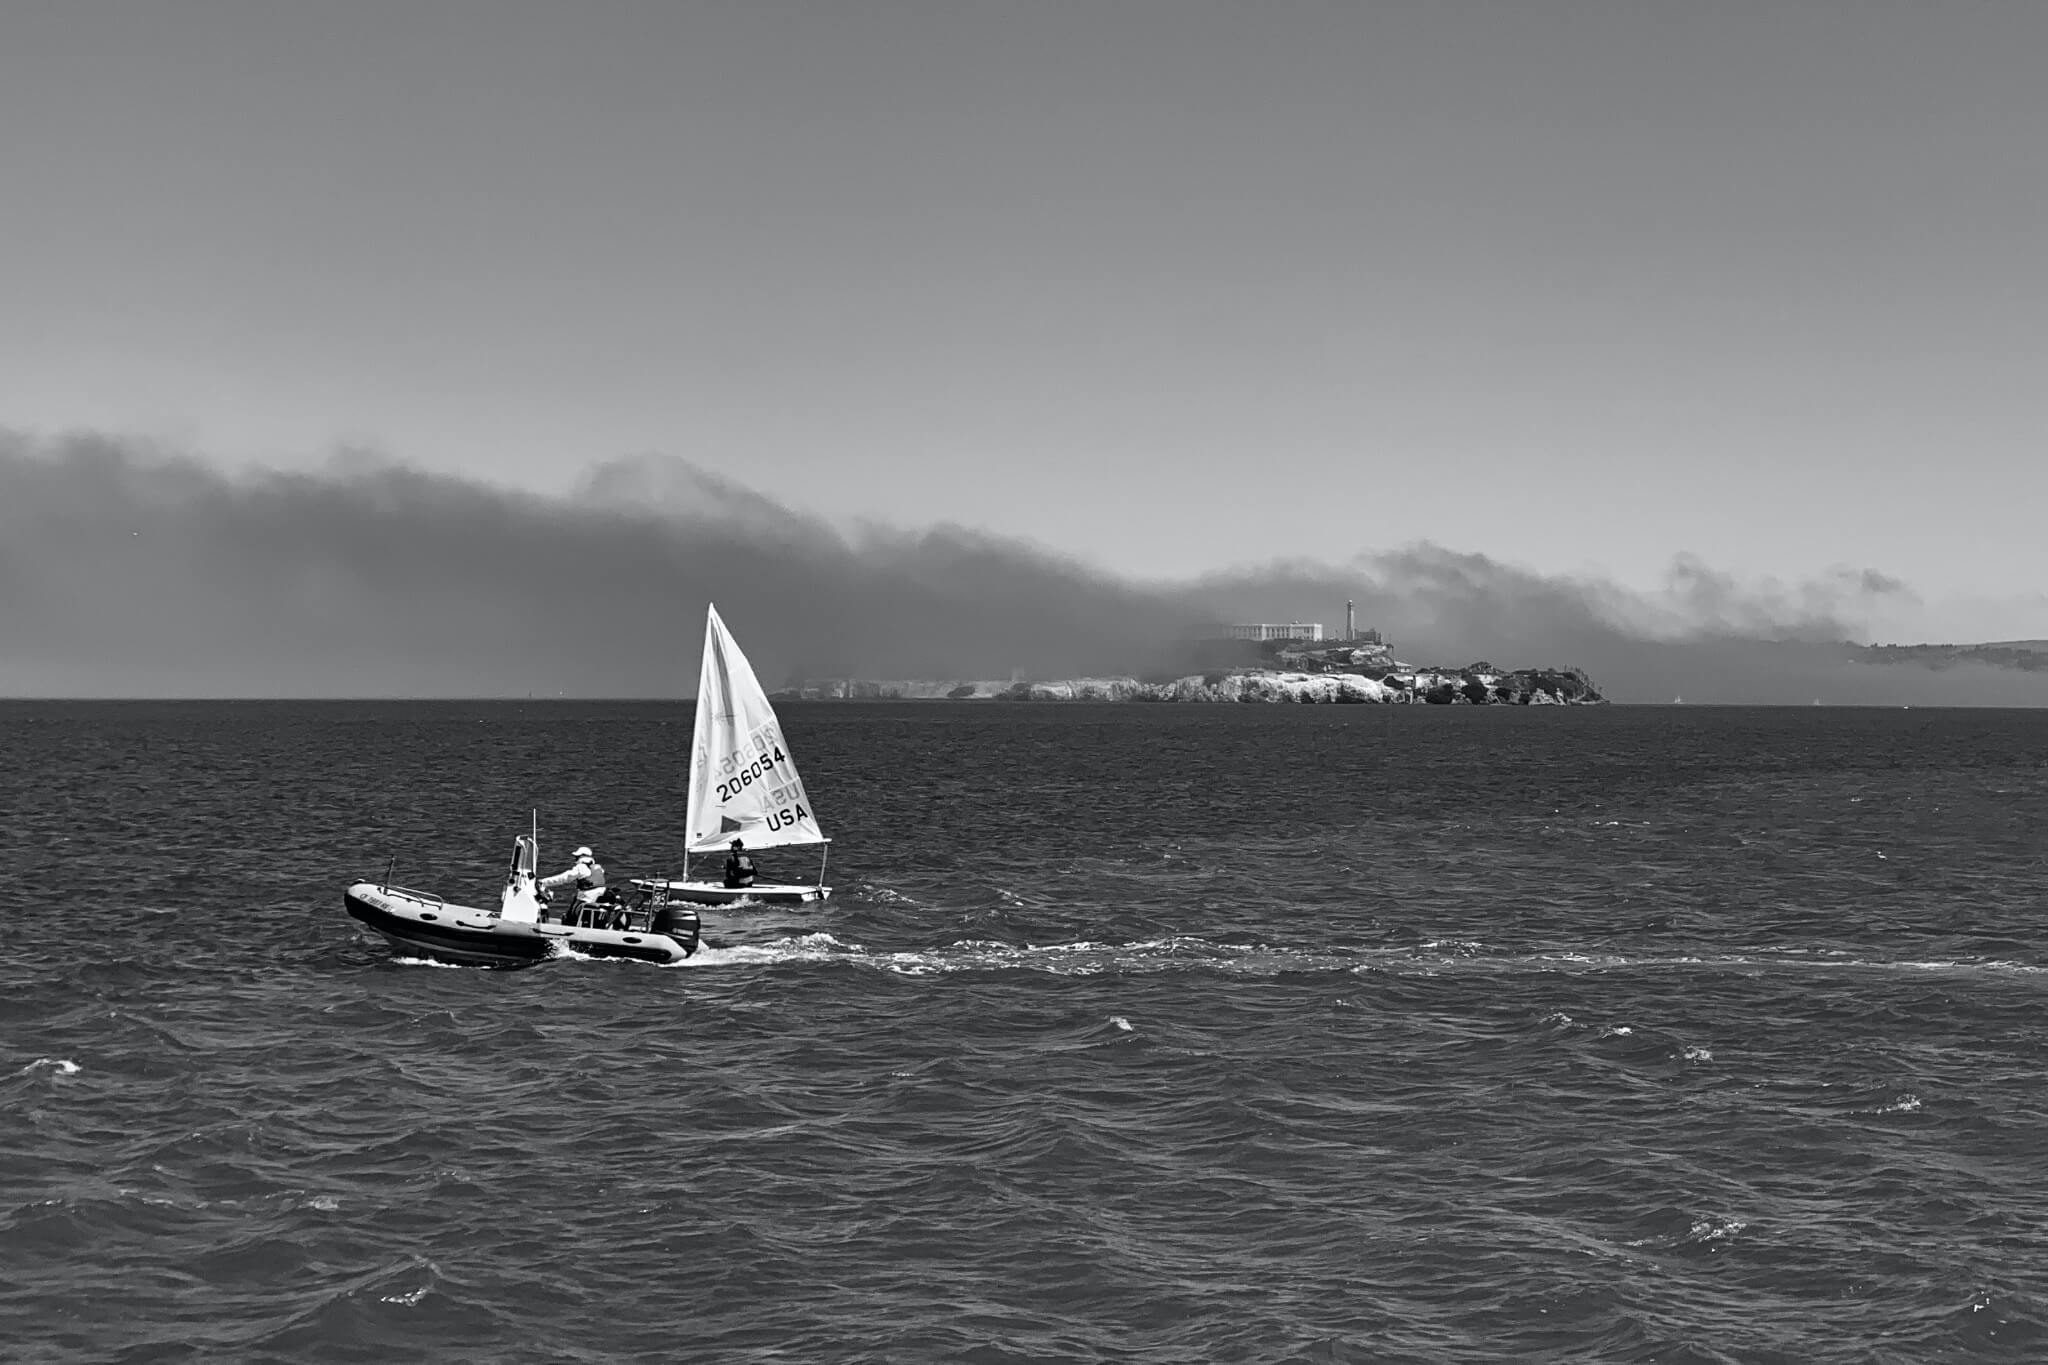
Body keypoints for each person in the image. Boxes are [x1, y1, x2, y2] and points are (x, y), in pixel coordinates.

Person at [540, 845, 607, 926]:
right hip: (597, 898)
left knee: (571, 915)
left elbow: (564, 878)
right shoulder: (599, 869)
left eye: (576, 857)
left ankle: (569, 926)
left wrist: (544, 882)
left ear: (581, 856)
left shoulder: (581, 867)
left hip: (585, 899)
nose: (575, 859)